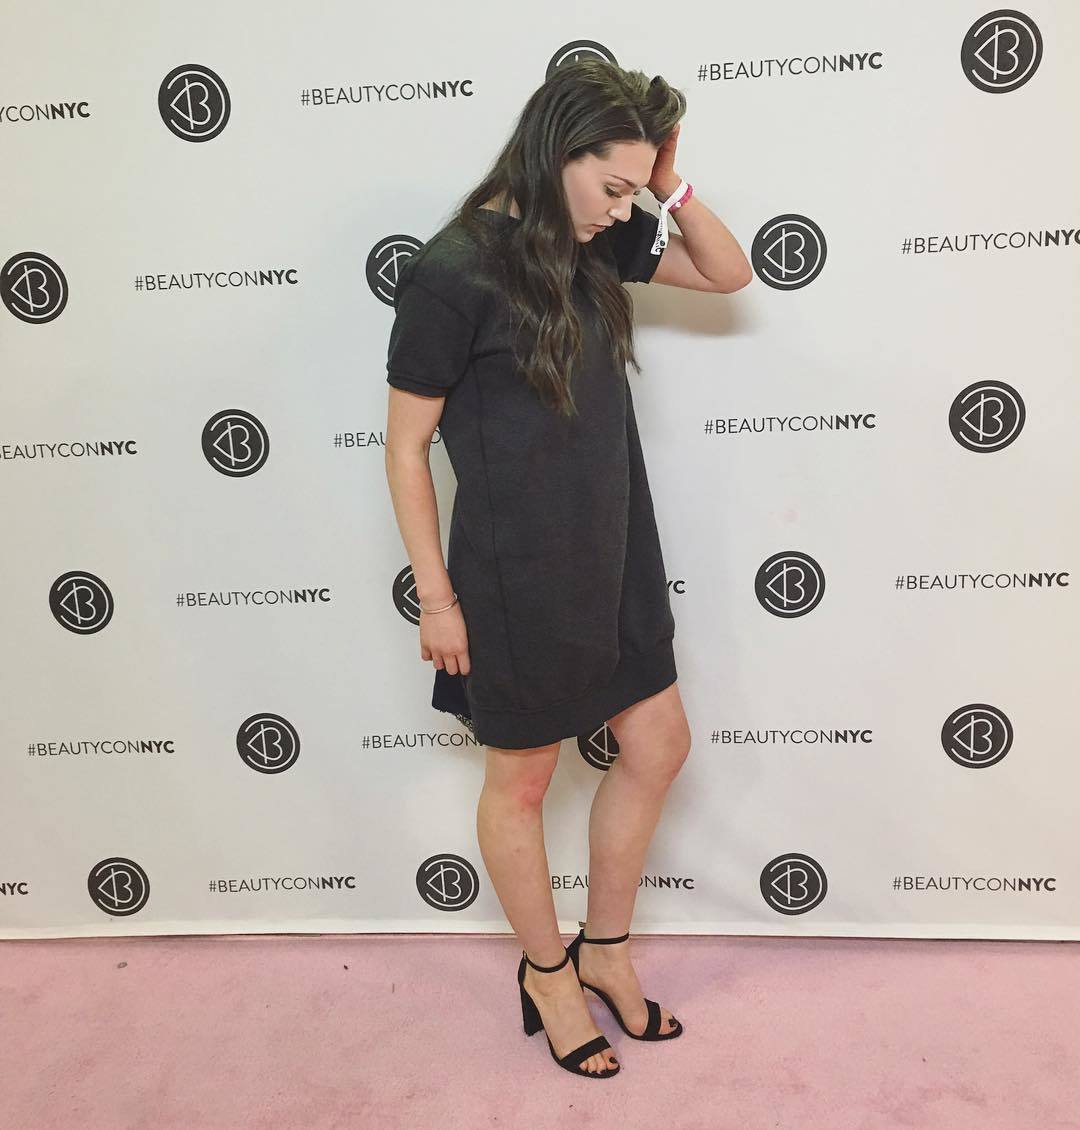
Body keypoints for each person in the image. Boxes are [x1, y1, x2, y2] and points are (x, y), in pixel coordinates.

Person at [384, 59, 752, 1078]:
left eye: (634, 191)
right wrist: (439, 599)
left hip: (617, 545)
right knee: (525, 778)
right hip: (517, 572)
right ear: (556, 152)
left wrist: (666, 183)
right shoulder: (453, 270)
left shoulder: (596, 238)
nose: (622, 210)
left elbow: (729, 273)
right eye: (611, 185)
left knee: (658, 743)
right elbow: (406, 447)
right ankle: (547, 973)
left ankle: (607, 950)